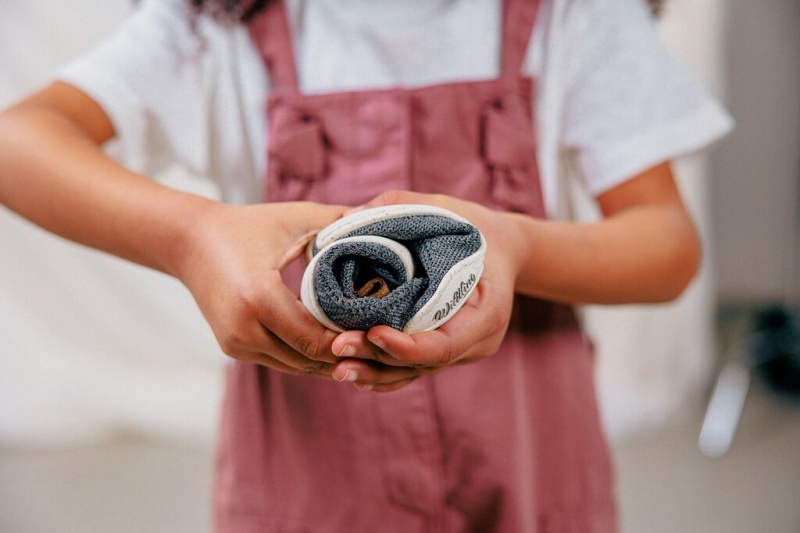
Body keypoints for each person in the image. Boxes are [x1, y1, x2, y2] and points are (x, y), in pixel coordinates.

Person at [0, 0, 733, 530]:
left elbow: (666, 246)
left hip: (530, 464)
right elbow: (19, 142)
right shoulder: (209, 23)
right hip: (306, 476)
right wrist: (193, 236)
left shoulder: (577, 16)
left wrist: (519, 246)